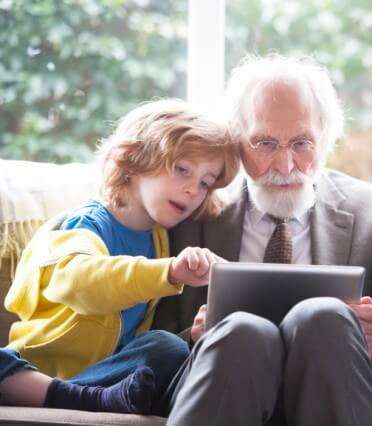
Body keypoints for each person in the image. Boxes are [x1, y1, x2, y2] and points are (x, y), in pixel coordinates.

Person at [152, 54, 372, 425]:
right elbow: (150, 338)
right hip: (223, 385)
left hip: (329, 386)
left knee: (324, 315)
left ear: (326, 140)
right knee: (241, 330)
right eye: (266, 144)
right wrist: (195, 337)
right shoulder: (189, 212)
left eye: (303, 143)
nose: (286, 167)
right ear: (237, 141)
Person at [1, 99, 239, 414]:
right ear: (134, 158)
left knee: (168, 347)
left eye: (205, 183)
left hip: (110, 375)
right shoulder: (86, 224)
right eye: (183, 169)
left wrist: (195, 336)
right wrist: (167, 272)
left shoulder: (157, 239)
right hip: (41, 371)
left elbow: (130, 342)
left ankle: (103, 396)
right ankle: (82, 398)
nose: (193, 190)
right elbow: (81, 283)